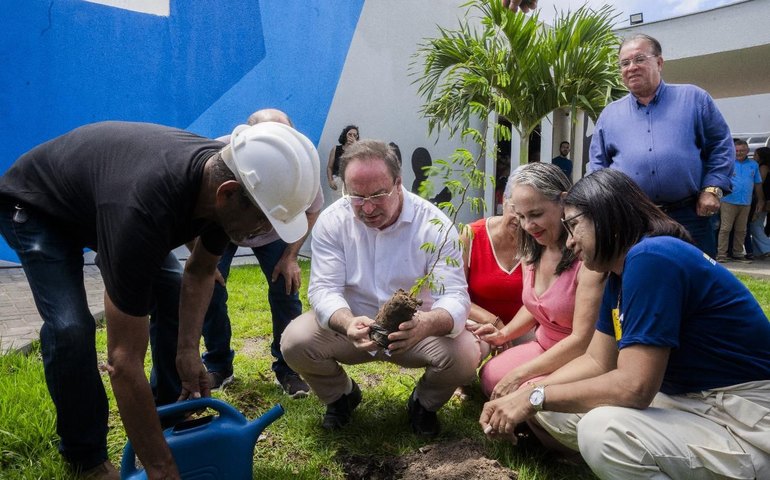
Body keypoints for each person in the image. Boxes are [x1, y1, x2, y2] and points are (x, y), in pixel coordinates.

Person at [0, 121, 320, 479]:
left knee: (171, 289)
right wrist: (161, 468)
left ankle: (169, 413)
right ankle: (85, 456)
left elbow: (200, 271)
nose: (266, 232)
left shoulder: (227, 182)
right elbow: (123, 362)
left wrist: (188, 352)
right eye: (263, 220)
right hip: (37, 206)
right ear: (227, 194)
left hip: (103, 199)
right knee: (70, 327)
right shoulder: (145, 210)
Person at [480, 168, 770, 479]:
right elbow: (597, 360)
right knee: (553, 407)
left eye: (574, 226)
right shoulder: (619, 272)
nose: (570, 242)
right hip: (687, 400)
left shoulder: (653, 257)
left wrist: (534, 398)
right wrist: (530, 391)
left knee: (601, 432)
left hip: (743, 418)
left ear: (607, 217)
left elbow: (635, 387)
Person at [281, 139, 485, 437]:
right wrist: (347, 323)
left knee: (465, 353)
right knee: (295, 341)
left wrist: (426, 324)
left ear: (398, 184)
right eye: (356, 196)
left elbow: (454, 296)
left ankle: (424, 403)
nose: (367, 207)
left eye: (378, 195)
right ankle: (340, 396)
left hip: (414, 332)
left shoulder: (435, 225)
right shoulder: (332, 221)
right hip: (351, 327)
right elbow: (324, 289)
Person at [199, 109, 322, 398]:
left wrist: (290, 257)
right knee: (209, 287)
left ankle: (288, 368)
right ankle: (218, 364)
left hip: (274, 231)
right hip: (224, 226)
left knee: (286, 288)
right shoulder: (219, 155)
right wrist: (201, 261)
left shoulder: (300, 162)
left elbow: (312, 210)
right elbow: (196, 205)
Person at [588, 33, 734, 259]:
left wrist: (712, 188)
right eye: (625, 63)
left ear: (659, 62)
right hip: (633, 220)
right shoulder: (609, 115)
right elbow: (598, 167)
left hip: (689, 215)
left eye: (639, 59)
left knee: (696, 276)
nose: (631, 67)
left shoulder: (694, 98)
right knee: (639, 276)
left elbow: (720, 145)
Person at [466, 163, 604, 399]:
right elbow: (535, 306)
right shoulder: (532, 247)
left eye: (536, 214)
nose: (528, 226)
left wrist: (521, 374)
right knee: (491, 376)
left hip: (581, 356)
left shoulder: (586, 257)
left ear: (563, 201)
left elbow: (582, 340)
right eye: (521, 216)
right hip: (543, 345)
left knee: (525, 392)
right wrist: (503, 334)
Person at [716, 139, 764, 263]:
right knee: (725, 229)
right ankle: (721, 255)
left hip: (746, 202)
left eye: (742, 150)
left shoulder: (753, 164)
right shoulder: (728, 163)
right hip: (728, 200)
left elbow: (758, 183)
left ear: (747, 151)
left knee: (741, 230)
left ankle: (737, 254)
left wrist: (761, 200)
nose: (739, 153)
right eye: (736, 151)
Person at [749, 147, 770, 257]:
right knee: (759, 224)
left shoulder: (763, 167)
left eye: (755, 155)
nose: (753, 157)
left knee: (755, 224)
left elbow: (758, 183)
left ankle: (767, 248)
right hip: (765, 199)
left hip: (760, 200)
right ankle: (758, 251)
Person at [326, 125, 359, 195]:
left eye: (354, 135)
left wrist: (355, 146)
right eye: (350, 134)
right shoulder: (336, 149)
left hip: (350, 182)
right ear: (345, 135)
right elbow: (329, 167)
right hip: (337, 181)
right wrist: (330, 180)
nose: (352, 137)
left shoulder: (357, 151)